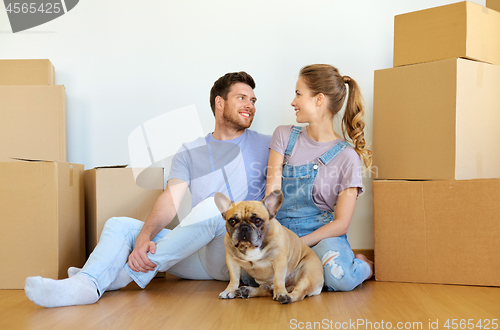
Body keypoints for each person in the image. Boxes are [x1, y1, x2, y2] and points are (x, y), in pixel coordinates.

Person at [24, 71, 271, 308]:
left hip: (237, 254)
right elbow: (170, 198)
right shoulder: (190, 149)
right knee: (119, 225)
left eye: (253, 100)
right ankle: (87, 283)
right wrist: (144, 236)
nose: (250, 105)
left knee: (213, 209)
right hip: (195, 253)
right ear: (220, 102)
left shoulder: (267, 145)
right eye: (242, 98)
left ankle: (115, 276)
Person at [266, 64, 373, 292]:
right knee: (251, 275)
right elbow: (271, 199)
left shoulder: (347, 156)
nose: (293, 102)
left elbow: (341, 223)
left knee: (339, 277)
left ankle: (364, 265)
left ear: (319, 99)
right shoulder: (284, 136)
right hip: (281, 231)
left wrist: (299, 245)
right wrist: (276, 241)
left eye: (298, 94)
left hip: (323, 235)